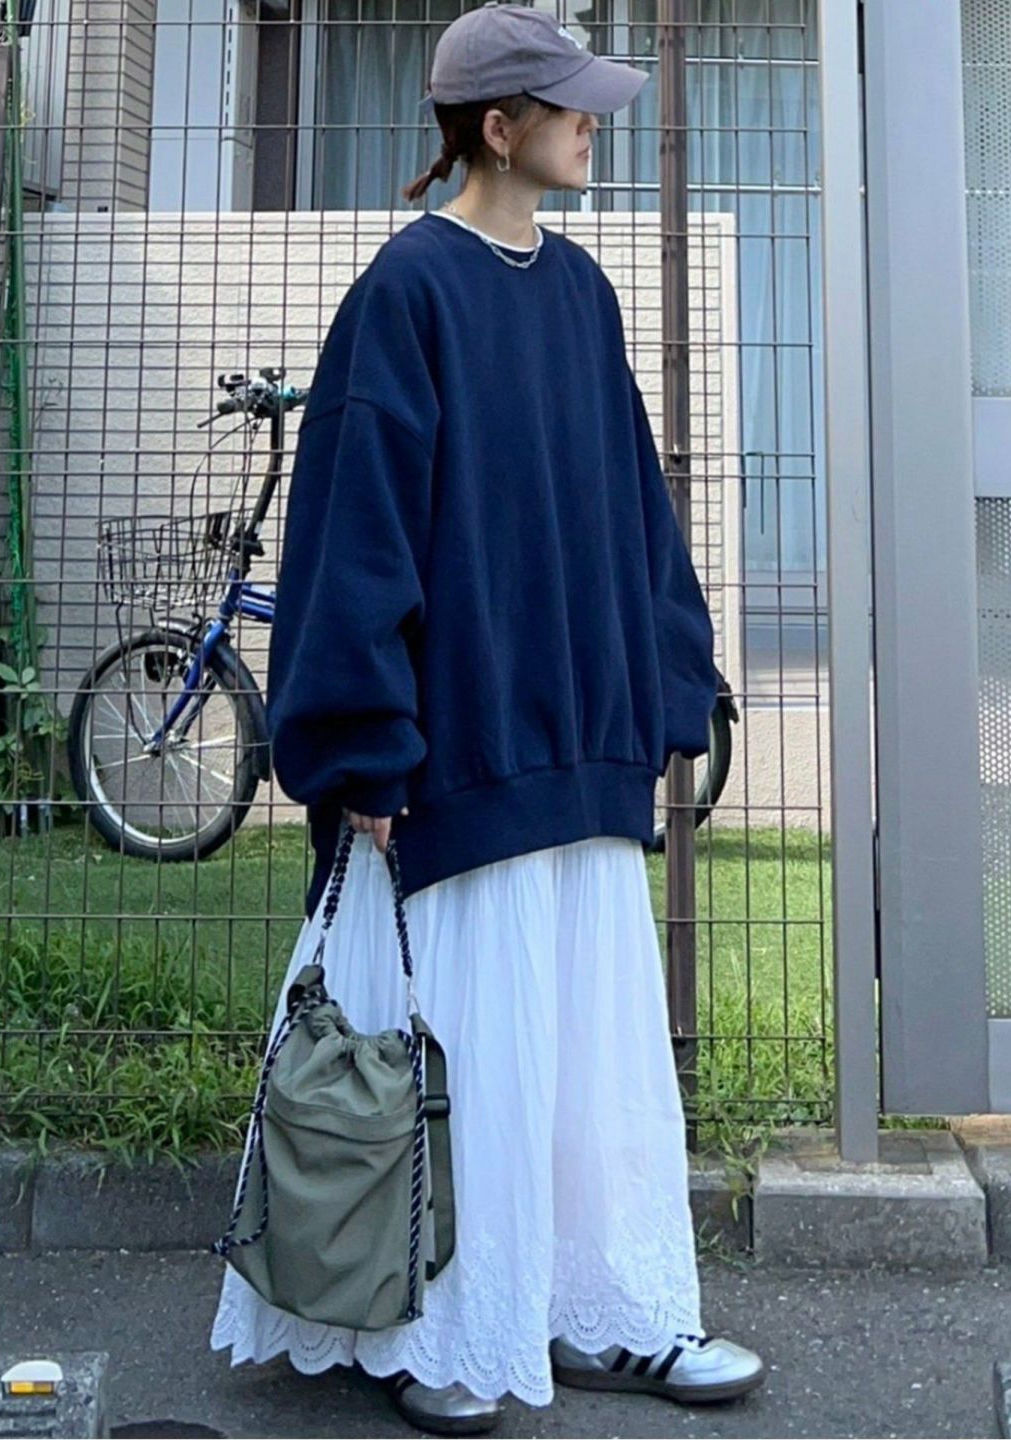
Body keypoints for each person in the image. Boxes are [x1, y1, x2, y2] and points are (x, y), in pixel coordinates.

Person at [209, 3, 766, 1433]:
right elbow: (354, 537)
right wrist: (363, 746)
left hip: (581, 750)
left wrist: (672, 675)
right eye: (568, 105)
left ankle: (613, 1310)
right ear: (498, 128)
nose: (594, 124)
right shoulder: (406, 294)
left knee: (588, 1058)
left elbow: (634, 511)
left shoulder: (580, 294)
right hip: (454, 767)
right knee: (474, 1059)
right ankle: (441, 1330)